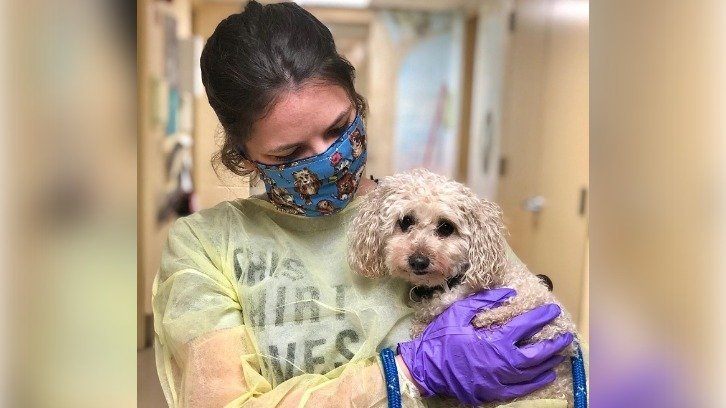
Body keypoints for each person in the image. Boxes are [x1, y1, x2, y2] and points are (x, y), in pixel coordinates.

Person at [152, 1, 573, 407]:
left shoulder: (423, 212)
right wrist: (409, 371)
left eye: (338, 128)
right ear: (244, 157)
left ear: (358, 103)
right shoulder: (205, 245)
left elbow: (551, 355)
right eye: (289, 153)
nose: (327, 158)